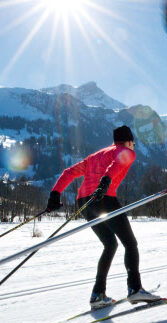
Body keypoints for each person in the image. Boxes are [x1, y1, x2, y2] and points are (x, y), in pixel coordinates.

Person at [46, 125, 160, 309]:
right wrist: (105, 182)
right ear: (129, 141)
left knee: (110, 244)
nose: (134, 147)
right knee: (130, 244)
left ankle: (98, 294)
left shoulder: (96, 156)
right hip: (103, 198)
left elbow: (69, 172)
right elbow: (116, 165)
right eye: (133, 143)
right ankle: (135, 289)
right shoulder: (126, 151)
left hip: (84, 202)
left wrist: (55, 194)